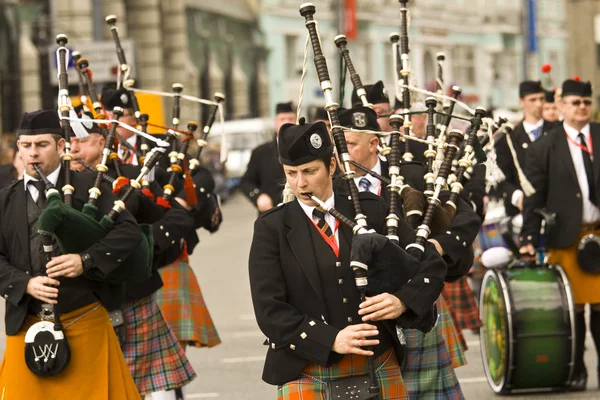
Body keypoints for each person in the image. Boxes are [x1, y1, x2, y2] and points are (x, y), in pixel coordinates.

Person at [249, 118, 447, 399]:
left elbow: (430, 265)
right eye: (291, 172)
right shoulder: (272, 228)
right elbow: (269, 310)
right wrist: (331, 339)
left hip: (378, 362)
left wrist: (402, 300)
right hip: (307, 367)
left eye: (309, 170)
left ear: (332, 166)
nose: (300, 183)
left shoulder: (372, 210)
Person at [338, 106, 481, 398]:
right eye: (339, 145)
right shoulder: (334, 189)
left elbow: (466, 217)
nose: (342, 153)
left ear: (374, 144)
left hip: (415, 305)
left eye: (350, 145)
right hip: (365, 314)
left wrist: (438, 245)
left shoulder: (412, 174)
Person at [0, 110, 142, 398]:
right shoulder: (5, 200)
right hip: (27, 323)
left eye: (41, 145)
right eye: (25, 146)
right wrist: (24, 283)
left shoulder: (90, 187)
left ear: (61, 146)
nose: (32, 154)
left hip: (84, 316)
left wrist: (85, 260)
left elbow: (129, 233)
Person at [70, 118, 198, 400]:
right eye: (69, 142)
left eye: (80, 140)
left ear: (101, 142)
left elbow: (178, 217)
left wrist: (145, 247)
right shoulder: (60, 186)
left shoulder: (130, 177)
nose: (73, 148)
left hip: (132, 295)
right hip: (81, 303)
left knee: (142, 387)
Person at [520, 79, 600, 391]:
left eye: (586, 103)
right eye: (575, 102)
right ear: (562, 105)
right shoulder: (544, 147)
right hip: (568, 238)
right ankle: (576, 369)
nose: (582, 107)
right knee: (575, 310)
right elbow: (533, 197)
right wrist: (528, 237)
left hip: (599, 236)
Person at [495, 81, 557, 217]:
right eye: (533, 100)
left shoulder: (557, 131)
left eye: (541, 99)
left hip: (556, 208)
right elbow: (502, 178)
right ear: (521, 102)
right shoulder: (508, 139)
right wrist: (517, 196)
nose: (539, 104)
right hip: (523, 213)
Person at [240, 102, 295, 212]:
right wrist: (258, 197)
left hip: (299, 214)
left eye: (291, 119)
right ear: (275, 123)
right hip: (271, 215)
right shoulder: (261, 153)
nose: (287, 123)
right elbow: (246, 182)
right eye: (282, 119)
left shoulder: (305, 150)